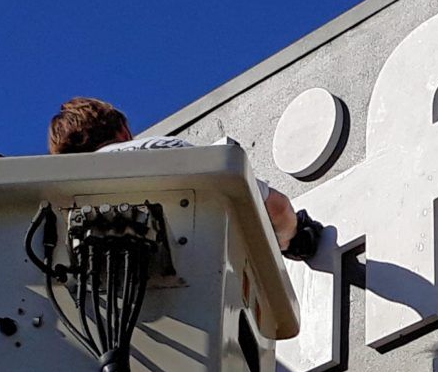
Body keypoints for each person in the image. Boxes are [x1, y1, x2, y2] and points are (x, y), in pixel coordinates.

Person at [47, 97, 320, 259]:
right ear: (122, 131)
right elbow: (277, 209)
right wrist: (293, 240)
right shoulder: (163, 153)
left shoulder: (56, 199)